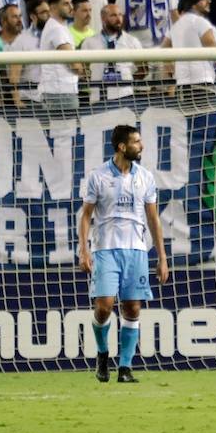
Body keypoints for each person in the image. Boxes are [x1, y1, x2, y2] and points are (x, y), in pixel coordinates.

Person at [78, 124, 169, 385]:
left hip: (137, 251)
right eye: (137, 142)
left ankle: (126, 367)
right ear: (122, 147)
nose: (141, 146)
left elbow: (153, 218)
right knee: (104, 306)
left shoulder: (146, 177)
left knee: (132, 307)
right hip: (105, 249)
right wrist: (84, 249)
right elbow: (86, 216)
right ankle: (103, 352)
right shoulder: (98, 176)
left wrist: (162, 257)